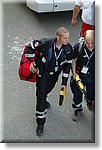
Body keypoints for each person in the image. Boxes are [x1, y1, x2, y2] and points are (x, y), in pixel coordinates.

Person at [26, 27, 73, 136]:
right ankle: (40, 123)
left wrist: (64, 83)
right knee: (41, 96)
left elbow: (67, 66)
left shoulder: (68, 49)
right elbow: (31, 46)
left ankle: (44, 99)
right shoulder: (46, 43)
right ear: (58, 38)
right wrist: (31, 62)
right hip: (43, 74)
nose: (67, 40)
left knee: (46, 91)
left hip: (54, 76)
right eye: (65, 38)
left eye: (68, 37)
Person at [70, 30, 95, 121]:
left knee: (91, 94)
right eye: (88, 43)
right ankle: (77, 109)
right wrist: (74, 72)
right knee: (77, 94)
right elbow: (73, 59)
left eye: (92, 43)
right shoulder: (78, 46)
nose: (90, 46)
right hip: (79, 75)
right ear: (84, 40)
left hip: (93, 77)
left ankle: (89, 100)